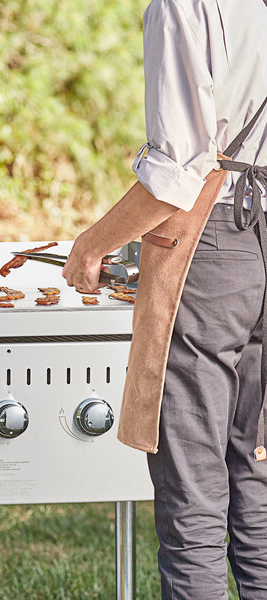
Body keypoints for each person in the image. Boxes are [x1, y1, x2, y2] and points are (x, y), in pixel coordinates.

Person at [61, 1, 267, 598]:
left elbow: (179, 170)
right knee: (256, 470)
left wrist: (91, 245)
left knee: (193, 487)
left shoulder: (185, 4)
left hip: (213, 242)